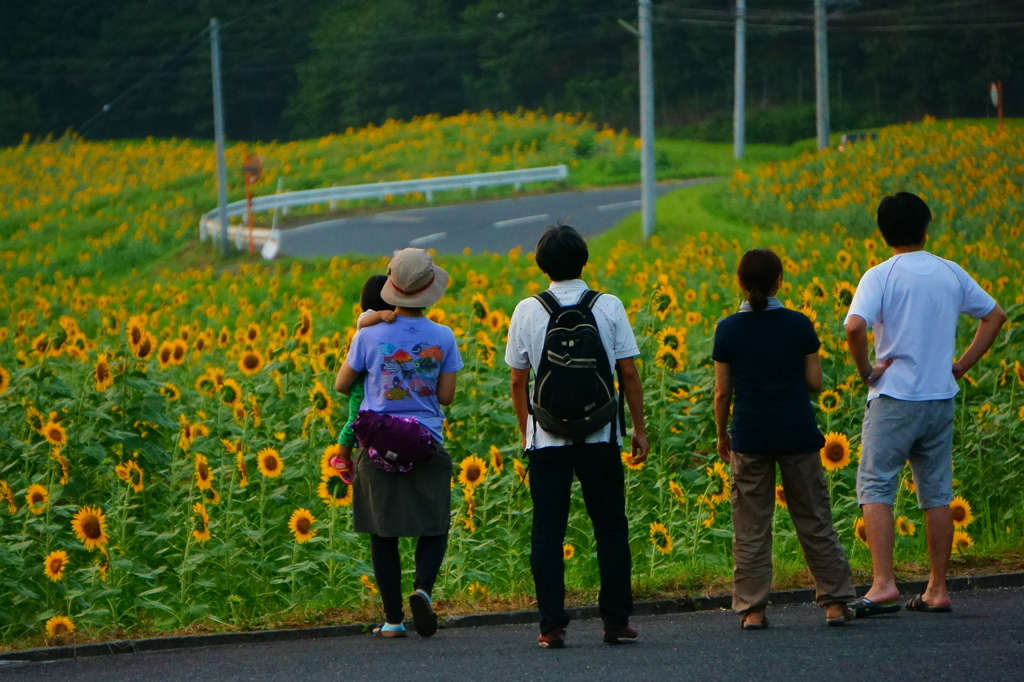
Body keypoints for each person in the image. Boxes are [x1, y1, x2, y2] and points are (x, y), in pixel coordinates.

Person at [844, 192, 1006, 616]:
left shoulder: (880, 275)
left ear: (883, 233)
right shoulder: (949, 272)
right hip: (940, 398)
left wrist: (867, 372)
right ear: (925, 227)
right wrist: (961, 366)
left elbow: (855, 326)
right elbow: (994, 316)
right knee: (936, 493)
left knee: (877, 485)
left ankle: (883, 584)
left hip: (894, 397)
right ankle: (937, 588)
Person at [505, 224, 649, 649]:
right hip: (601, 434)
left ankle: (551, 626)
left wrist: (528, 432)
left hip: (546, 441)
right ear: (584, 260)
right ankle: (616, 621)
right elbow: (628, 373)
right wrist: (637, 429)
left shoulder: (527, 310)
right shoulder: (608, 305)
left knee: (547, 532)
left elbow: (517, 382)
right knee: (610, 526)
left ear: (542, 265)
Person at [713, 248, 856, 630]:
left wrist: (721, 433)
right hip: (797, 433)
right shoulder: (799, 324)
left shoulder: (727, 329)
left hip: (750, 436)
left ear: (740, 284)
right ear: (780, 281)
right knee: (814, 519)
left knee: (750, 527)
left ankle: (753, 610)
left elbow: (722, 393)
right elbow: (814, 382)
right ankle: (836, 603)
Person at [334, 248, 463, 638]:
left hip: (377, 446)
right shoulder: (443, 336)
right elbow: (445, 397)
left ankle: (392, 620)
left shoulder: (368, 335)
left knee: (382, 531)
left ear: (392, 286)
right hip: (426, 442)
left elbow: (341, 385)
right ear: (429, 291)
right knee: (434, 524)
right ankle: (422, 588)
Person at [330, 275, 397, 483]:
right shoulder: (369, 318)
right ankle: (341, 457)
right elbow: (362, 322)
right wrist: (380, 315)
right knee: (354, 418)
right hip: (360, 380)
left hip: (372, 380)